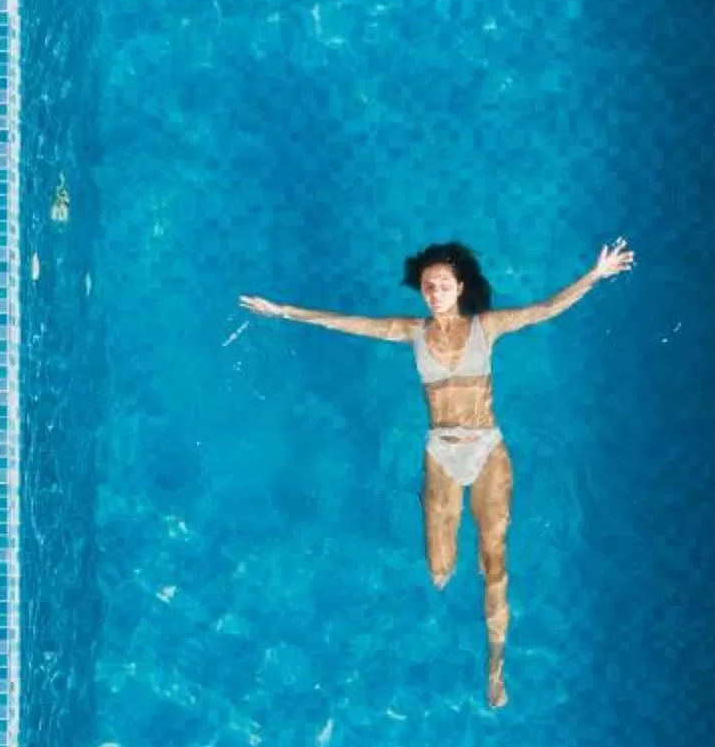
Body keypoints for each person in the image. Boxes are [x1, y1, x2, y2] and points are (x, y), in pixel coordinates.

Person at [240, 238, 633, 707]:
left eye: (443, 284)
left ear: (460, 288)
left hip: (487, 450)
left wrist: (595, 275)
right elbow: (348, 323)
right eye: (428, 286)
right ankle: (430, 631)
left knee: (493, 561)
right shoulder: (412, 331)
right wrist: (283, 311)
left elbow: (545, 309)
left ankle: (495, 667)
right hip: (441, 451)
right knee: (439, 567)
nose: (435, 292)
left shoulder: (487, 328)